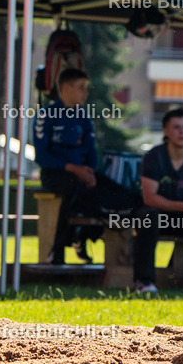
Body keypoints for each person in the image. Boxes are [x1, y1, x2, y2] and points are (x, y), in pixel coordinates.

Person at [33, 68, 138, 264]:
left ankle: (87, 236)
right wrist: (74, 169)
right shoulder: (46, 115)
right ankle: (57, 250)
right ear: (66, 88)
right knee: (73, 189)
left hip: (82, 175)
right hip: (56, 175)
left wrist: (89, 172)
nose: (86, 93)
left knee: (117, 192)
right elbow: (42, 156)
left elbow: (91, 150)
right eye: (81, 88)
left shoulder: (83, 117)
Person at [130, 108, 183, 294]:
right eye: (176, 127)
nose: (182, 132)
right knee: (147, 218)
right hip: (159, 215)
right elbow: (149, 197)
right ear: (166, 131)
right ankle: (144, 282)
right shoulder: (154, 157)